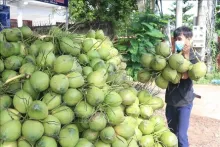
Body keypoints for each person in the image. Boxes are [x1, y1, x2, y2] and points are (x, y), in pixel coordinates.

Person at [165, 26, 200, 147]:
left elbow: (184, 76)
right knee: (172, 133)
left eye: (180, 38)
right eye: (175, 39)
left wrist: (184, 55)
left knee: (181, 135)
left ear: (188, 40)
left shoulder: (194, 58)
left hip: (184, 103)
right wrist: (173, 53)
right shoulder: (169, 58)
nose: (177, 41)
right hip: (170, 101)